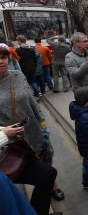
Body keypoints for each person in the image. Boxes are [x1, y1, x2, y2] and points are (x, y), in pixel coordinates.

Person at [0, 46, 61, 215]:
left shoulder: (18, 76)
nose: (1, 61)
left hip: (34, 131)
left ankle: (53, 189)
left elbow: (32, 101)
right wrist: (4, 134)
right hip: (12, 145)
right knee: (43, 173)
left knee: (46, 162)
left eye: (3, 57)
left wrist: (41, 120)